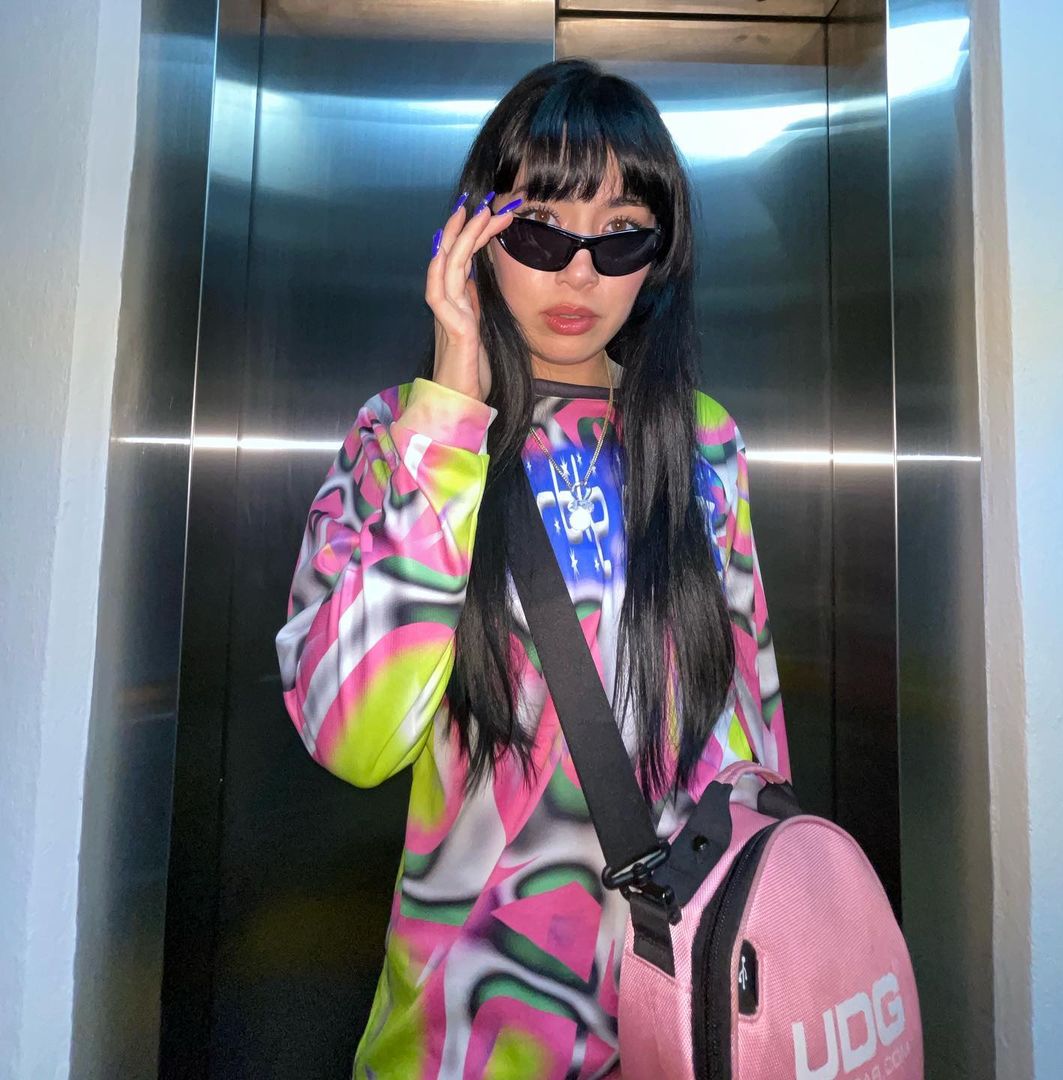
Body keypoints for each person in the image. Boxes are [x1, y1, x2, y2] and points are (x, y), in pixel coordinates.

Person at [275, 58, 788, 1080]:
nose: (580, 274)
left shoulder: (704, 444)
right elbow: (352, 737)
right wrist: (451, 416)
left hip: (677, 1028)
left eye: (621, 234)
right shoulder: (399, 436)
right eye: (543, 231)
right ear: (479, 235)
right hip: (466, 1034)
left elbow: (751, 747)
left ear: (661, 255)